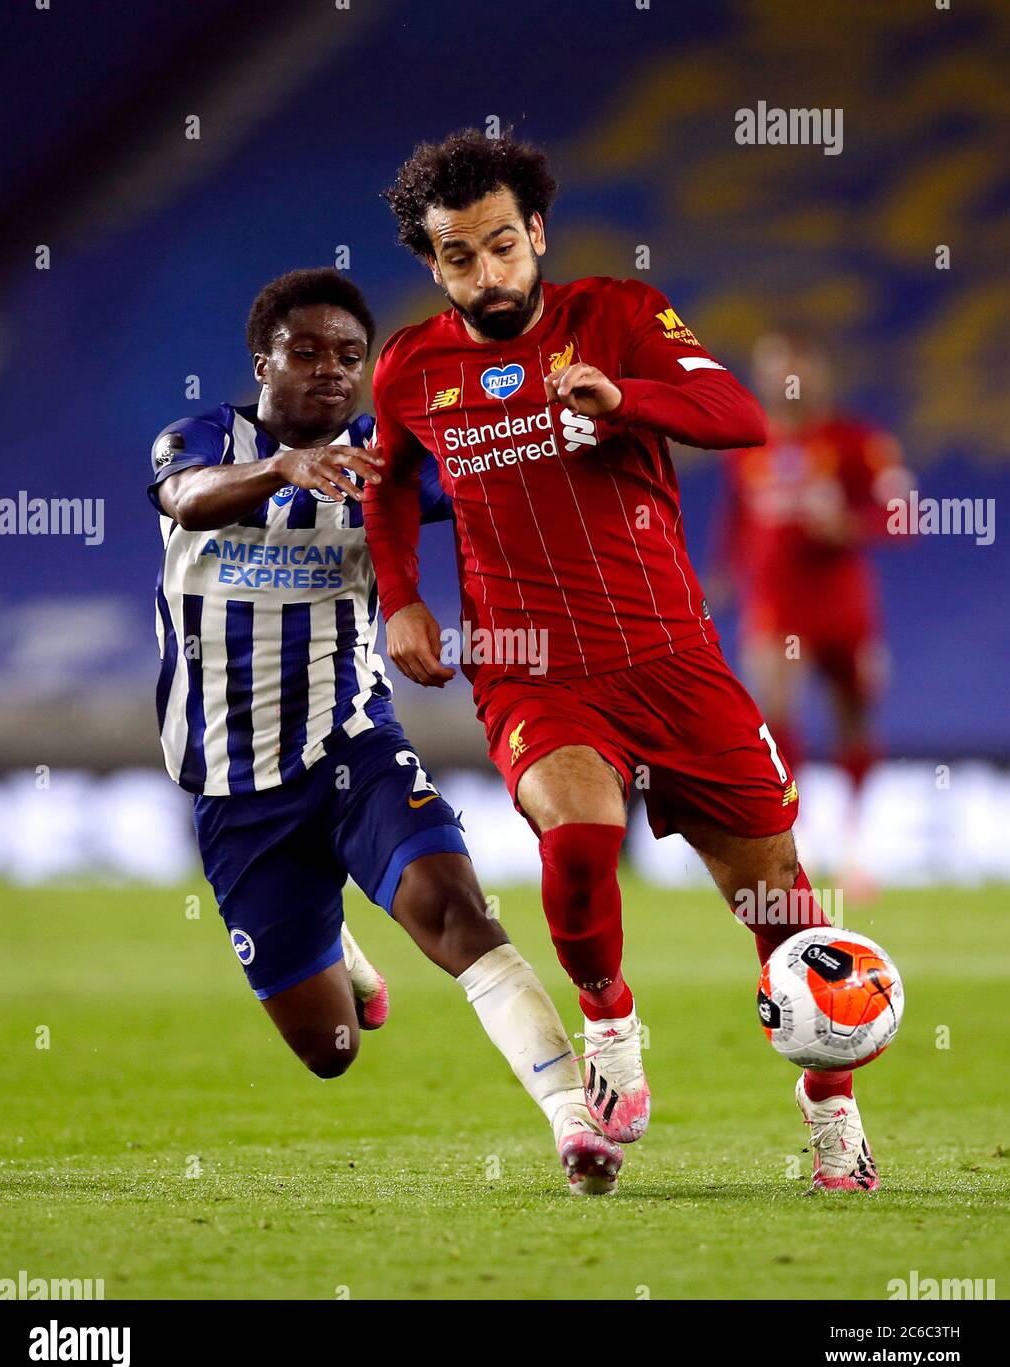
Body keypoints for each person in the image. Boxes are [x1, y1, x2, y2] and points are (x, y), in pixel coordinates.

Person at [363, 130, 880, 1189]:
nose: (486, 272)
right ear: (432, 264)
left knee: (777, 903)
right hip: (532, 668)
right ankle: (608, 1024)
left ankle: (828, 1102)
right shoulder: (410, 368)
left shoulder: (618, 315)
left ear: (535, 232)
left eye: (502, 245)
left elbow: (736, 416)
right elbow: (383, 484)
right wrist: (402, 598)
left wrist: (626, 398)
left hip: (670, 656)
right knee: (580, 832)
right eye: (458, 256)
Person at [148, 267, 621, 1197]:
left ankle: (575, 1122)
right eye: (308, 352)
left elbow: (495, 481)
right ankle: (338, 944)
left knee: (458, 914)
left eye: (350, 357)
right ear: (263, 361)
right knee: (330, 1051)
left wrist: (588, 429)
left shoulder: (384, 455)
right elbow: (187, 498)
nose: (331, 371)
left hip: (351, 744)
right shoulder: (201, 437)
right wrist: (282, 468)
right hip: (234, 787)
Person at [712, 330, 911, 888]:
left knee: (855, 721)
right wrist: (724, 572)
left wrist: (851, 525)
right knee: (776, 721)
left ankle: (856, 847)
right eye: (771, 369)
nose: (782, 382)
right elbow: (738, 516)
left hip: (844, 608)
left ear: (816, 374)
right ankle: (797, 841)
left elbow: (903, 513)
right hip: (775, 608)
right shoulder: (749, 446)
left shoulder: (855, 442)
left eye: (792, 369)